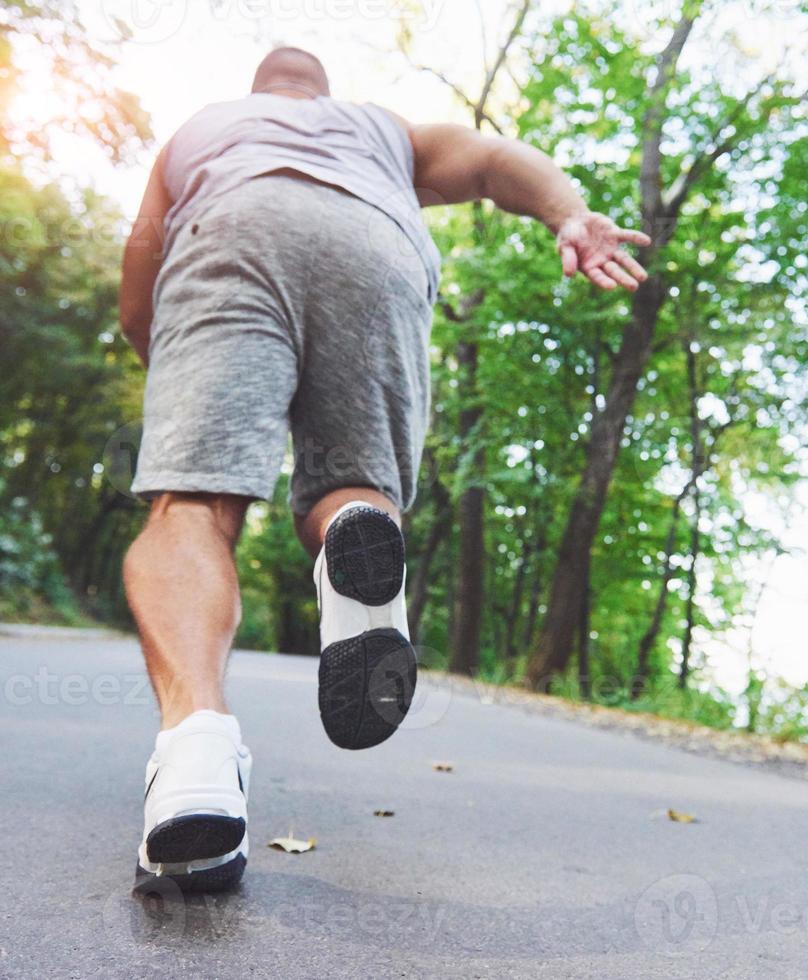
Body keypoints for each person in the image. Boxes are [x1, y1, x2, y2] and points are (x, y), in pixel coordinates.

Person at [118, 45, 649, 892]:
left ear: (258, 89)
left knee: (193, 504)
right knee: (350, 489)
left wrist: (172, 372)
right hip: (377, 241)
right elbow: (488, 159)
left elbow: (137, 283)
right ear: (321, 91)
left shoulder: (201, 131)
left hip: (230, 232)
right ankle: (350, 550)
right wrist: (570, 215)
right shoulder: (380, 133)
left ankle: (196, 759)